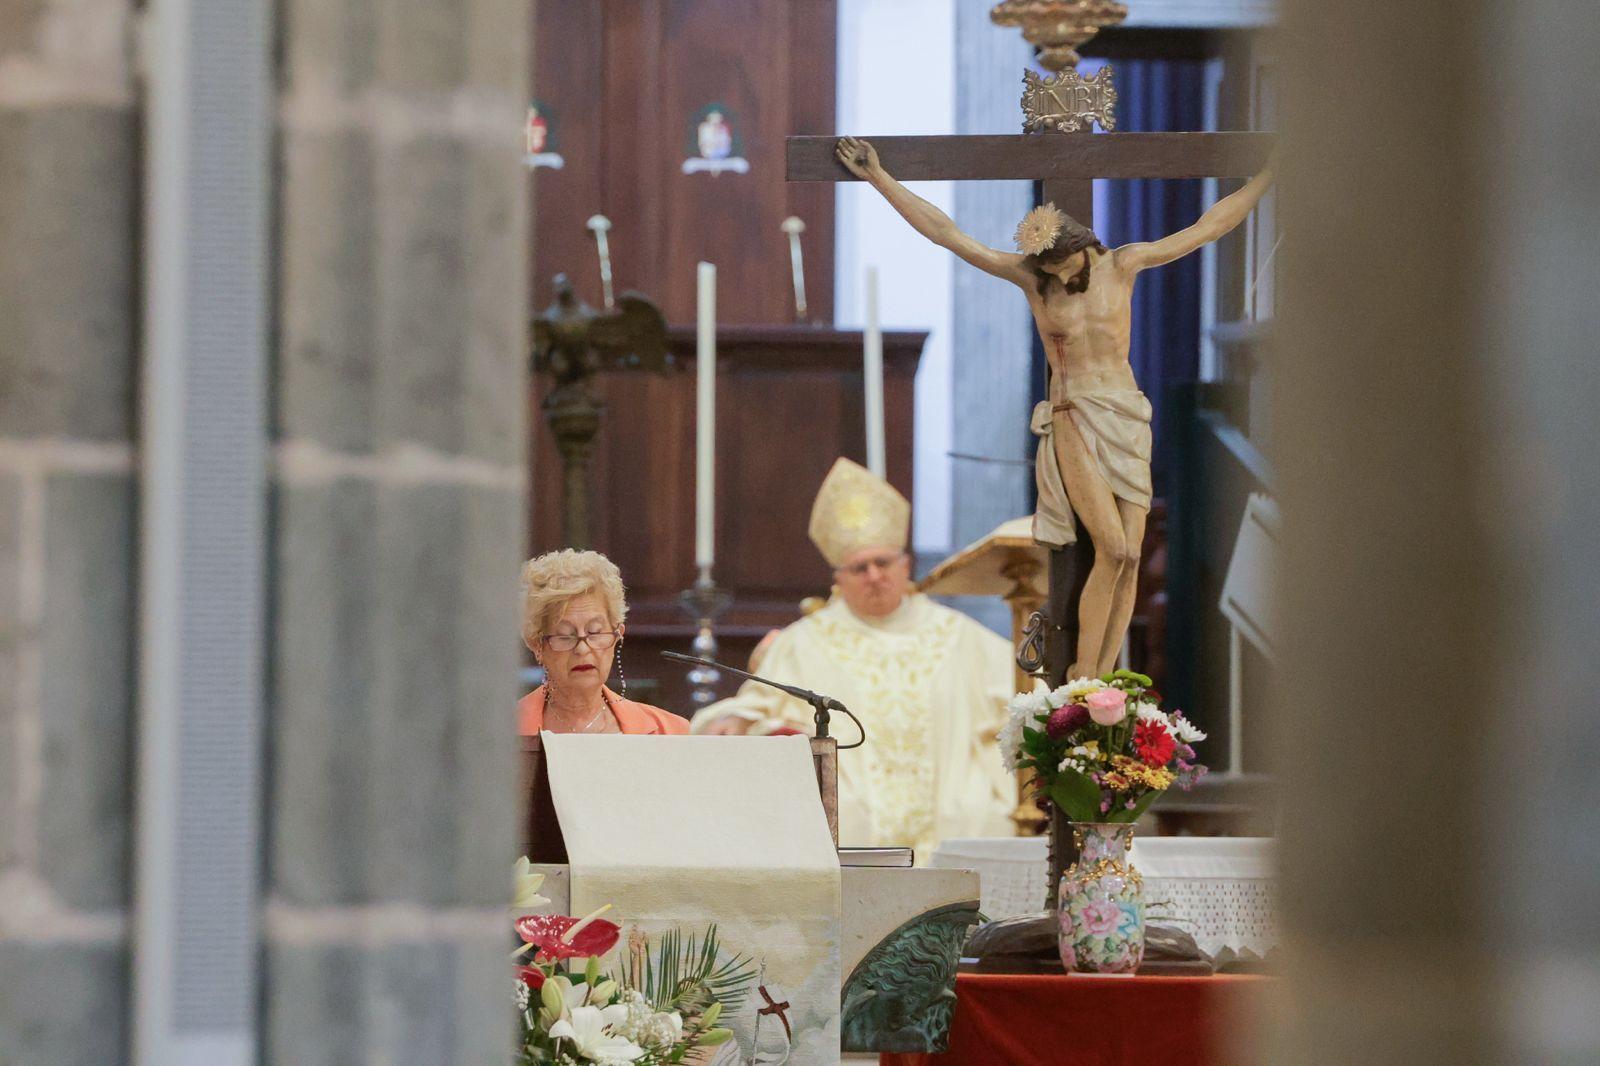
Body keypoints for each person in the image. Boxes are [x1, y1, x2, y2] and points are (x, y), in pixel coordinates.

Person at [836, 135, 1276, 679]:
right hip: (1073, 415)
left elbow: (1208, 226)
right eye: (1049, 270)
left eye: (1064, 267)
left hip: (1126, 414)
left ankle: (1105, 677)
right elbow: (948, 234)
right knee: (1111, 548)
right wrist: (880, 178)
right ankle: (1083, 675)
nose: (1058, 278)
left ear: (1085, 249)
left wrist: (1268, 176)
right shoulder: (1034, 280)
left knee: (1133, 555)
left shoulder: (1124, 265)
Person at [692, 458, 1018, 859]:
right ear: (839, 578)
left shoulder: (960, 635)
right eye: (860, 567)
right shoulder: (804, 641)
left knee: (978, 813)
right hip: (850, 807)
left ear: (906, 566)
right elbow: (755, 707)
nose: (875, 576)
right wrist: (738, 720)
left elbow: (1023, 695)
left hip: (948, 806)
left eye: (883, 563)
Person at [519, 549, 688, 735]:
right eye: (565, 636)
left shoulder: (670, 732)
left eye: (595, 632)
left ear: (618, 636)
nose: (583, 649)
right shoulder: (504, 734)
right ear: (536, 644)